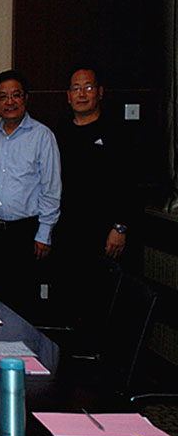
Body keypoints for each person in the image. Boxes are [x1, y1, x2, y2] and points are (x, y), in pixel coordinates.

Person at [53, 67, 136, 330]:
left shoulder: (117, 132)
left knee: (103, 310)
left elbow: (129, 184)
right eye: (76, 88)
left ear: (100, 92)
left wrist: (120, 227)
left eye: (88, 87)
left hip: (106, 237)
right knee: (67, 307)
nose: (82, 94)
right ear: (68, 96)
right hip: (67, 234)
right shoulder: (58, 133)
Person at [0, 70, 61, 321]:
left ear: (26, 98)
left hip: (26, 232)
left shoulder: (42, 136)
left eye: (15, 95)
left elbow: (51, 189)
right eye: (3, 97)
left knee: (24, 304)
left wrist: (44, 233)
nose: (9, 102)